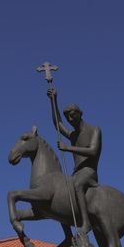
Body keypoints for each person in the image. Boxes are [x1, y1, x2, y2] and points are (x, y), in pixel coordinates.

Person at [47, 88, 102, 235]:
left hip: (89, 172)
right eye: (68, 118)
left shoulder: (94, 130)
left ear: (80, 114)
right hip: (76, 173)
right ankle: (67, 235)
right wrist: (53, 101)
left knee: (77, 184)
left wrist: (68, 148)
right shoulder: (73, 135)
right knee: (60, 193)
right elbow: (58, 124)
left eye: (72, 116)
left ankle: (86, 223)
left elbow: (93, 151)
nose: (70, 120)